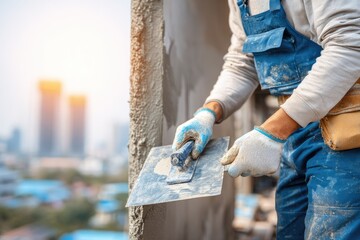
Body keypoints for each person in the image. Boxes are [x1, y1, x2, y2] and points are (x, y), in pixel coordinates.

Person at [172, 0, 360, 239]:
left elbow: (350, 44)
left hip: (345, 136)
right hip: (295, 134)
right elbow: (243, 61)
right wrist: (209, 112)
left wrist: (274, 130)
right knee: (290, 231)